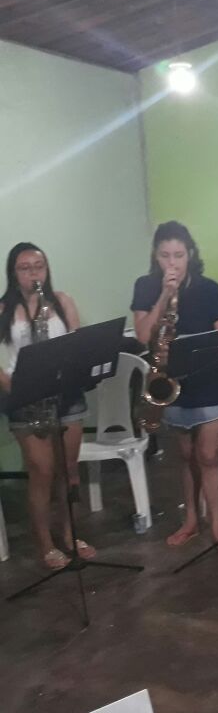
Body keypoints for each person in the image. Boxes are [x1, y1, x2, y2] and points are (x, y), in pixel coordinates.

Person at [131, 222, 218, 555]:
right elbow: (143, 335)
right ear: (155, 255)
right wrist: (164, 295)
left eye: (178, 255)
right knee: (186, 456)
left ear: (190, 254)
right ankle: (191, 520)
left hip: (208, 380)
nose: (172, 263)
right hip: (172, 382)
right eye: (165, 255)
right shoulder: (146, 286)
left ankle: (217, 527)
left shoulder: (209, 288)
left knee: (209, 456)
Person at [0, 243, 92, 570]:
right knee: (41, 472)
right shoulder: (3, 309)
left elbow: (77, 345)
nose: (33, 273)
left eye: (39, 266)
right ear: (13, 273)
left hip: (66, 396)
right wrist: (15, 388)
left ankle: (69, 533)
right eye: (25, 268)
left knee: (69, 470)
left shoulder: (62, 302)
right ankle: (45, 543)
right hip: (26, 400)